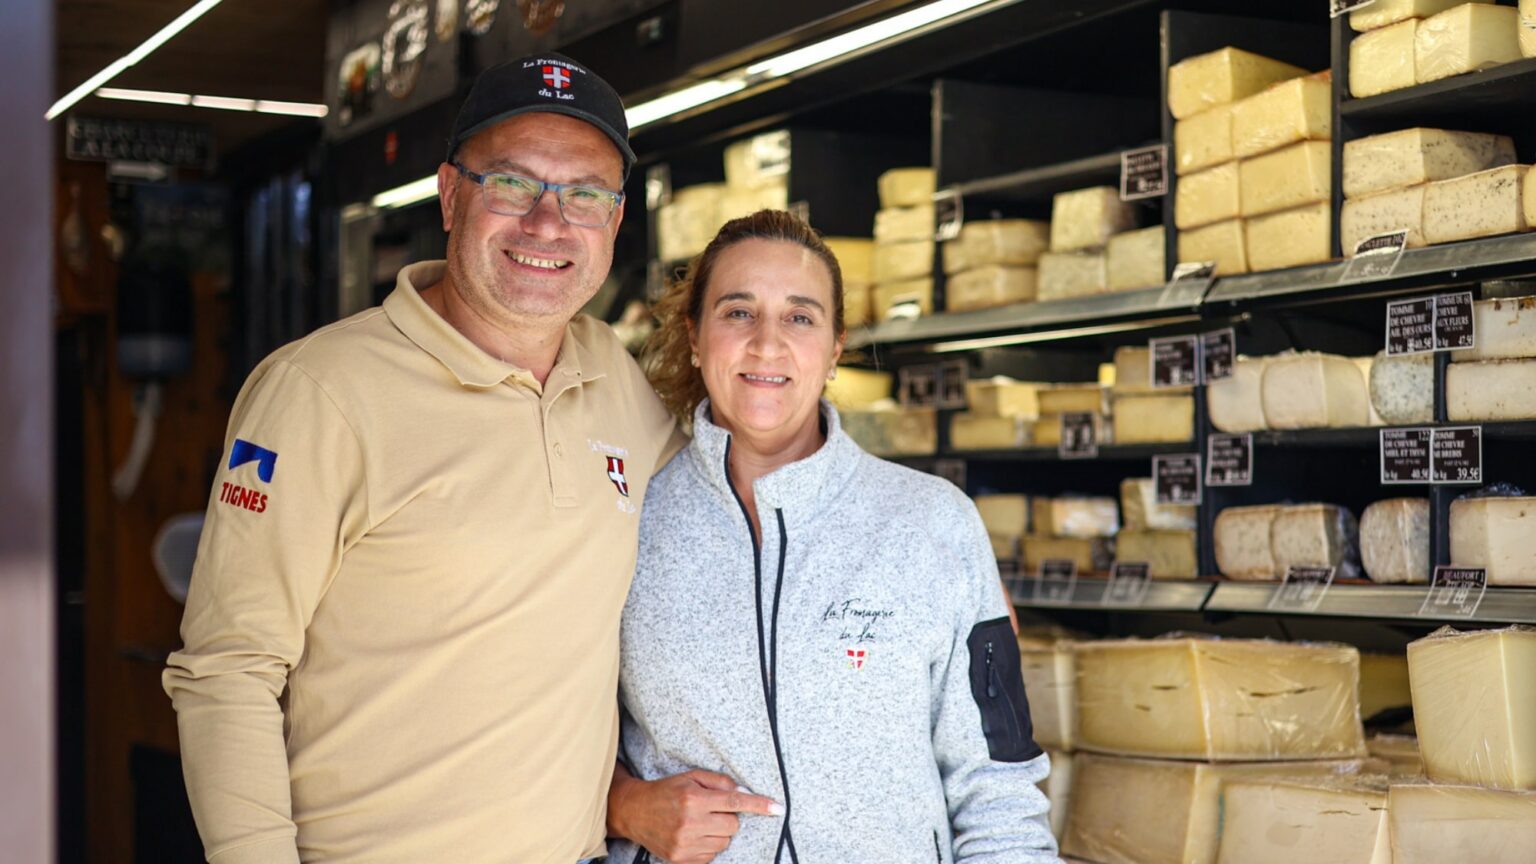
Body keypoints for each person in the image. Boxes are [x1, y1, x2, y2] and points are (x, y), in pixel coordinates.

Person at [163, 53, 684, 864]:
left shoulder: (611, 376)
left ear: (614, 223)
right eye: (511, 184)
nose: (548, 224)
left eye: (584, 194)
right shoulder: (319, 391)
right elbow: (229, 671)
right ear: (449, 195)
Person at [604, 210, 1059, 863]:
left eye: (800, 317)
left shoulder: (932, 523)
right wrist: (626, 805)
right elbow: (542, 738)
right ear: (695, 337)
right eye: (738, 313)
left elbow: (999, 790)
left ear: (835, 346)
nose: (767, 343)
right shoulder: (626, 521)